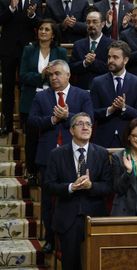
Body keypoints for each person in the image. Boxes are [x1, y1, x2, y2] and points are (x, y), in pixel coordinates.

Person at [28, 59, 94, 254]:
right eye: (51, 75)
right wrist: (52, 120)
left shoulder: (82, 95)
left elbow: (89, 118)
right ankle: (49, 239)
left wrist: (67, 117)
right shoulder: (41, 97)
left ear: (68, 75)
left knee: (73, 199)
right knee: (49, 201)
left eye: (57, 74)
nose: (53, 77)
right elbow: (32, 121)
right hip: (48, 156)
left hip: (75, 154)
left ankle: (74, 238)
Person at [44, 112, 112, 270]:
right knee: (71, 264)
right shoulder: (57, 154)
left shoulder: (101, 153)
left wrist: (91, 186)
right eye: (80, 124)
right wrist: (70, 187)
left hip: (95, 217)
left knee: (96, 263)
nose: (85, 127)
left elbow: (109, 186)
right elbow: (48, 185)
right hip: (68, 217)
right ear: (71, 130)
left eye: (88, 124)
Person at [19, 19, 67, 182]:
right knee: (31, 138)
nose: (43, 32)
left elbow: (64, 75)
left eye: (47, 29)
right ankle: (31, 171)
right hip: (31, 99)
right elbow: (23, 75)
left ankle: (50, 172)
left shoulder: (60, 52)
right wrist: (41, 76)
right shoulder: (29, 50)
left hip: (54, 99)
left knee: (50, 137)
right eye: (41, 29)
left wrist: (52, 76)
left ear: (53, 34)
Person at [90, 40, 137, 148]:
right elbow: (92, 113)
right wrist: (110, 110)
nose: (110, 60)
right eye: (109, 57)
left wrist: (124, 108)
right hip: (103, 140)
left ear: (125, 60)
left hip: (128, 139)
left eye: (115, 57)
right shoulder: (97, 82)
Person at [0, 0, 41, 134]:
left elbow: (40, 23)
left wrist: (31, 15)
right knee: (7, 87)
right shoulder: (4, 1)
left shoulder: (35, 1)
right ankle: (7, 124)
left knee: (26, 86)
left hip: (28, 49)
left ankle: (25, 123)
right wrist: (11, 8)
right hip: (8, 50)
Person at [69, 10, 113, 90]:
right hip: (82, 89)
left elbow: (111, 68)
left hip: (104, 88)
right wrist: (84, 63)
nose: (91, 25)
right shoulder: (78, 44)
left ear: (102, 24)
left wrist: (93, 62)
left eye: (94, 22)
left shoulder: (111, 44)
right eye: (88, 22)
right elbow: (72, 67)